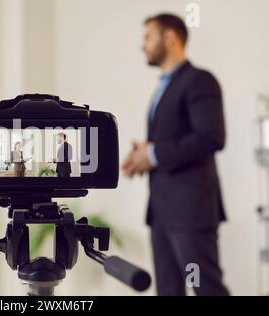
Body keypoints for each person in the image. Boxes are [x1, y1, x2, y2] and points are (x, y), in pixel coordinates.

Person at [121, 14, 229, 296]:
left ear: (170, 38)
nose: (142, 45)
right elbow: (173, 140)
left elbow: (210, 137)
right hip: (161, 213)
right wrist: (144, 154)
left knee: (204, 289)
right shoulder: (163, 86)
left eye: (148, 37)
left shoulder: (199, 81)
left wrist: (153, 153)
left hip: (189, 214)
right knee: (168, 291)